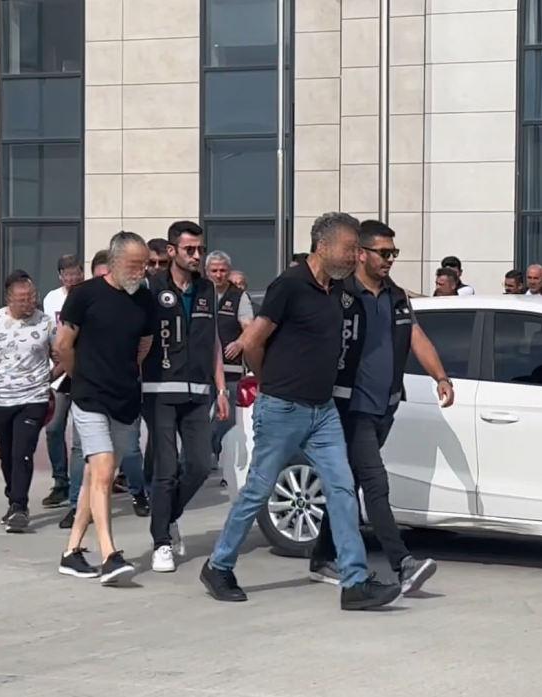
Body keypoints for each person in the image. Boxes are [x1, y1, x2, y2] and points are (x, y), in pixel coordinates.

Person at [200, 212, 402, 611]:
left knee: (342, 489)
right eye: (349, 248)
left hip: (322, 411)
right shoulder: (289, 285)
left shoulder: (339, 289)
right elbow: (253, 340)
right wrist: (270, 380)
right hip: (282, 408)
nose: (353, 256)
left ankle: (355, 581)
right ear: (323, 246)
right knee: (258, 490)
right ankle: (218, 566)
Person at [308, 220, 452, 593]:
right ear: (361, 253)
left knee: (353, 481)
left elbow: (416, 336)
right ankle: (402, 563)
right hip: (349, 407)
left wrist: (441, 377)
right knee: (375, 482)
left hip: (385, 406)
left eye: (393, 253)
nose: (389, 259)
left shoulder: (396, 296)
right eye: (383, 253)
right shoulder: (340, 293)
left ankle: (322, 557)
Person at [54, 231, 155, 585]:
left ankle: (71, 552)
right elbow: (63, 344)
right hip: (90, 396)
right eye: (134, 264)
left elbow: (145, 344)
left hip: (125, 397)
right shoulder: (85, 295)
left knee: (101, 476)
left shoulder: (145, 299)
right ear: (114, 262)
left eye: (144, 265)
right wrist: (80, 377)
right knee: (103, 468)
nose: (141, 271)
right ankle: (110, 555)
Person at [142, 221, 229, 573]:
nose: (197, 256)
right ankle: (161, 542)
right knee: (165, 469)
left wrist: (221, 388)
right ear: (172, 251)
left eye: (200, 249)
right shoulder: (152, 288)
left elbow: (214, 341)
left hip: (199, 393)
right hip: (160, 392)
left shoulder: (206, 288)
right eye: (189, 249)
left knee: (199, 465)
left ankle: (167, 515)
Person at [0, 270, 58, 533]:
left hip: (34, 398)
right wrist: (5, 375)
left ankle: (19, 507)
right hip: (1, 399)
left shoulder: (46, 323)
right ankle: (12, 497)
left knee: (22, 452)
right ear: (9, 299)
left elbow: (60, 356)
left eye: (32, 297)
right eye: (22, 299)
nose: (28, 303)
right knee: (6, 454)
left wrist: (46, 379)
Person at [41, 254, 84, 508]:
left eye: (76, 272)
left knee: (83, 437)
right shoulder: (51, 298)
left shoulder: (89, 295)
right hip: (58, 375)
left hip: (82, 373)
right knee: (54, 428)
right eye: (67, 274)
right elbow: (49, 334)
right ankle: (60, 482)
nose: (72, 278)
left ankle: (83, 485)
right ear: (60, 276)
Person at [206, 250, 254, 463]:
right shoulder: (200, 292)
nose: (218, 275)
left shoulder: (238, 296)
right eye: (214, 270)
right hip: (201, 369)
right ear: (206, 271)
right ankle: (203, 455)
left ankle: (220, 455)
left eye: (223, 270)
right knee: (199, 418)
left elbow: (249, 328)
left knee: (225, 418)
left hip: (230, 369)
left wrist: (240, 342)